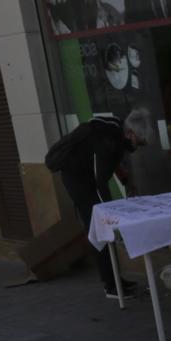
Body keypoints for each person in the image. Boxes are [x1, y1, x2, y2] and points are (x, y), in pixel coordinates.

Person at [46, 109, 152, 298]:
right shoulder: (108, 141)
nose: (139, 146)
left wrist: (127, 181)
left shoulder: (117, 133)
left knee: (104, 227)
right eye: (139, 141)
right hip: (77, 179)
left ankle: (116, 279)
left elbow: (113, 164)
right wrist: (108, 213)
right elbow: (100, 179)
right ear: (130, 133)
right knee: (99, 228)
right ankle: (111, 286)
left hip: (87, 176)